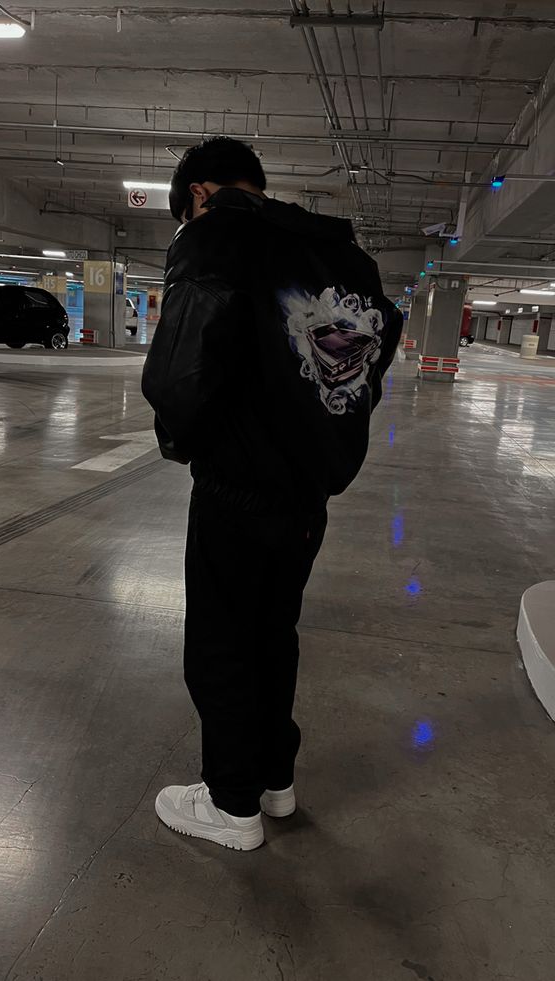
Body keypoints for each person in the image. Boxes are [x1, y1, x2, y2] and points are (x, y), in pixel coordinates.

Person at [141, 136, 402, 851]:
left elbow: (180, 374)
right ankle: (276, 783)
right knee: (272, 636)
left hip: (236, 486)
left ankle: (231, 805)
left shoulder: (215, 237)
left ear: (198, 192)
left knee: (221, 644)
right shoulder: (346, 258)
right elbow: (363, 368)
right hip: (307, 500)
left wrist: (187, 439)